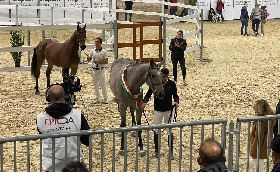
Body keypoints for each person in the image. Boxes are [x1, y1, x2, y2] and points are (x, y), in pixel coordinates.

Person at [36, 84, 90, 172]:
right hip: (74, 166)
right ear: (65, 96)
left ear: (48, 98)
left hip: (51, 165)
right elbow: (87, 140)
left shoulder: (40, 118)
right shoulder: (77, 115)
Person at [141, 68, 179, 160]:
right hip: (157, 110)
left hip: (168, 110)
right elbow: (148, 94)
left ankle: (170, 152)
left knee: (170, 131)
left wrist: (176, 101)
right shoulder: (155, 84)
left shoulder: (172, 84)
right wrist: (144, 102)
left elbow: (175, 95)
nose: (165, 78)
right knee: (156, 130)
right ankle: (157, 150)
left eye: (166, 76)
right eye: (163, 76)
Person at [249, 99, 275, 172]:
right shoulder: (269, 120)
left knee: (258, 167)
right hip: (264, 146)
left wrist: (253, 152)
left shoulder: (261, 122)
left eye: (255, 106)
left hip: (258, 148)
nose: (254, 108)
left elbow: (258, 138)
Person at [87, 37, 109, 104]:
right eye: (95, 42)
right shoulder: (92, 51)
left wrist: (99, 62)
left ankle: (105, 98)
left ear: (100, 43)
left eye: (97, 42)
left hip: (101, 69)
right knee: (95, 84)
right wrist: (88, 58)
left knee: (102, 84)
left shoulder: (104, 52)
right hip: (94, 70)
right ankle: (97, 98)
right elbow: (88, 60)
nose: (96, 43)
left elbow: (106, 61)